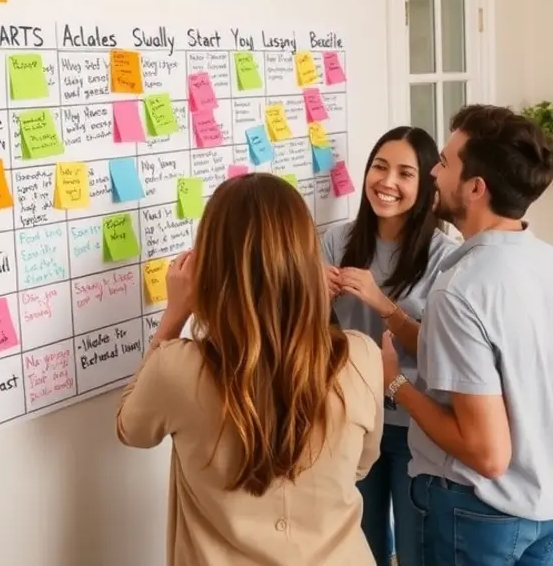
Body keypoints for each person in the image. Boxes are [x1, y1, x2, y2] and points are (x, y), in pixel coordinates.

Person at [115, 173, 384, 565]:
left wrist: (173, 317)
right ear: (307, 261)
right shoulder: (361, 356)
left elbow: (131, 429)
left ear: (212, 267)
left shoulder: (176, 368)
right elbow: (361, 465)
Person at [381, 104, 553, 564]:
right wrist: (396, 319)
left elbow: (486, 452)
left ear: (476, 188)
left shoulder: (460, 290)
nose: (433, 172)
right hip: (543, 505)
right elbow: (499, 367)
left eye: (444, 162)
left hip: (479, 515)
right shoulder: (543, 262)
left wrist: (395, 383)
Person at [322, 126, 458, 566]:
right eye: (379, 167)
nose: (387, 182)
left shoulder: (444, 255)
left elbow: (441, 352)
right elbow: (315, 338)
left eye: (405, 173)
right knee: (359, 547)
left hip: (412, 425)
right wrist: (311, 296)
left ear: (425, 187)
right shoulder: (335, 242)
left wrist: (382, 304)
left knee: (416, 549)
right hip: (349, 417)